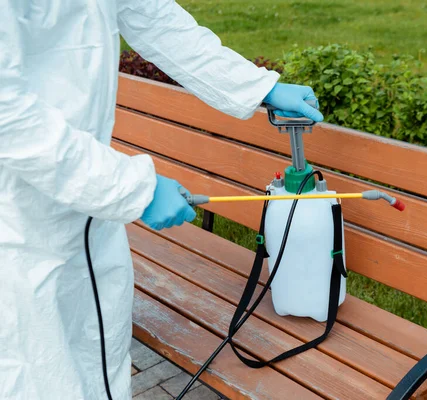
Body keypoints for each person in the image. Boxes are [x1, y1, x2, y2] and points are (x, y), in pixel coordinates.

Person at [0, 1, 323, 399]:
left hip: (88, 213)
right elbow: (7, 118)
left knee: (97, 362)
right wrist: (134, 188)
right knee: (36, 375)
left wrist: (257, 86)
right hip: (18, 229)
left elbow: (154, 16)